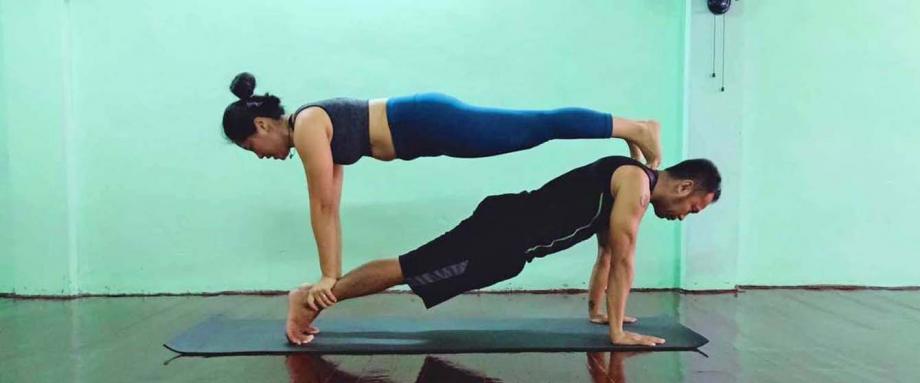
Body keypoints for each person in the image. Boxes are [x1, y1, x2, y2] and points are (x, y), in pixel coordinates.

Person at [221, 73, 663, 311]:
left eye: (250, 147)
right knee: (533, 128)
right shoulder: (312, 129)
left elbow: (319, 204)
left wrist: (326, 279)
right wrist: (329, 276)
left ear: (261, 125)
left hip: (430, 123)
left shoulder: (309, 125)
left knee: (535, 126)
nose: (258, 155)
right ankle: (627, 129)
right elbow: (330, 206)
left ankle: (635, 127)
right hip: (429, 130)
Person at [282, 155, 721, 347]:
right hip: (500, 231)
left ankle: (317, 297)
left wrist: (599, 312)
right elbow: (624, 258)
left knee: (413, 271)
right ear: (683, 186)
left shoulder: (629, 183)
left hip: (508, 247)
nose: (686, 215)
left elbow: (607, 254)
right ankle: (311, 299)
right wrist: (617, 336)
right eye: (693, 208)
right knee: (409, 269)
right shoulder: (635, 185)